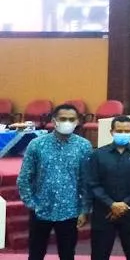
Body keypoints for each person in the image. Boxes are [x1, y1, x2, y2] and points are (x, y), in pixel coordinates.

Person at [17, 103, 93, 260]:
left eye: (71, 119)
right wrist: (31, 203)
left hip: (70, 210)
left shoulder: (84, 146)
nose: (67, 122)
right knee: (36, 254)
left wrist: (84, 209)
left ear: (77, 121)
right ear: (54, 121)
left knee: (67, 254)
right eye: (63, 119)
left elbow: (87, 180)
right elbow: (24, 178)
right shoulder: (37, 144)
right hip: (40, 210)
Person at [86, 115, 130, 260]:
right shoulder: (98, 154)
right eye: (119, 131)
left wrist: (125, 204)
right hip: (104, 212)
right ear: (112, 132)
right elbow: (93, 183)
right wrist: (111, 204)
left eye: (126, 131)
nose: (123, 134)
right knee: (99, 254)